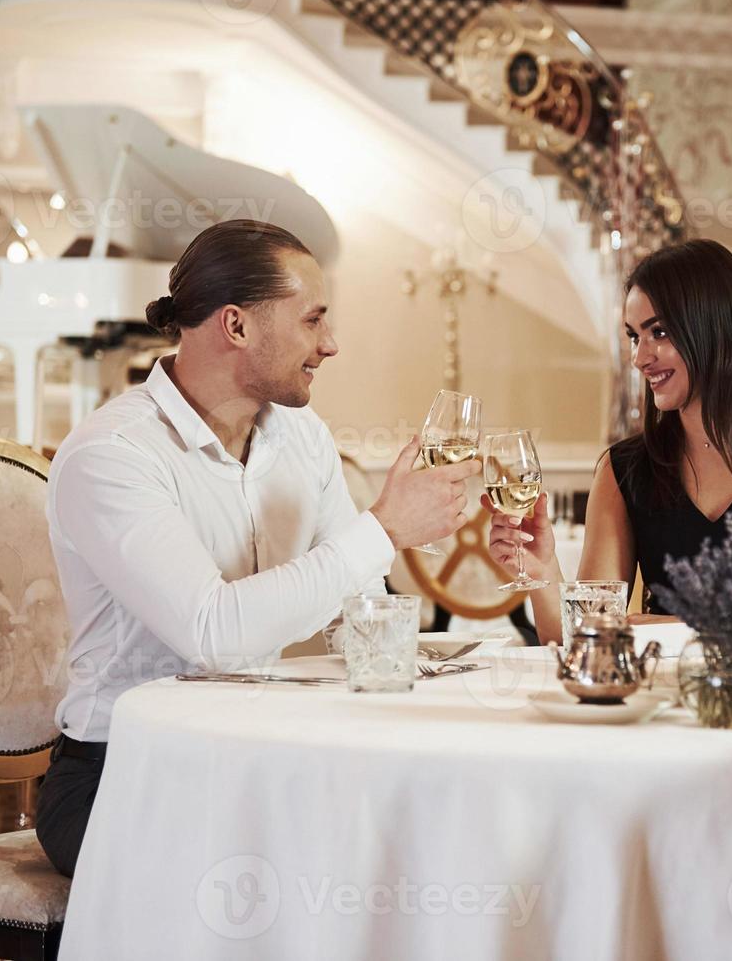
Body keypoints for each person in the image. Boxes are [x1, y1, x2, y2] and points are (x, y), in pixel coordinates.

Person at [35, 220, 479, 877]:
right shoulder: (113, 455)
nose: (330, 345)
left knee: (432, 838)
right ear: (236, 326)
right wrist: (384, 529)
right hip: (122, 776)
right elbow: (214, 633)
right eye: (312, 320)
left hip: (266, 753)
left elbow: (359, 616)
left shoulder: (303, 435)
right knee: (301, 873)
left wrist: (418, 667)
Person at [485, 238, 732, 645]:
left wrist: (662, 627)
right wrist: (543, 572)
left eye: (659, 331)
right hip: (661, 705)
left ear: (716, 328)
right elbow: (592, 641)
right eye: (635, 336)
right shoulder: (624, 470)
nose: (640, 358)